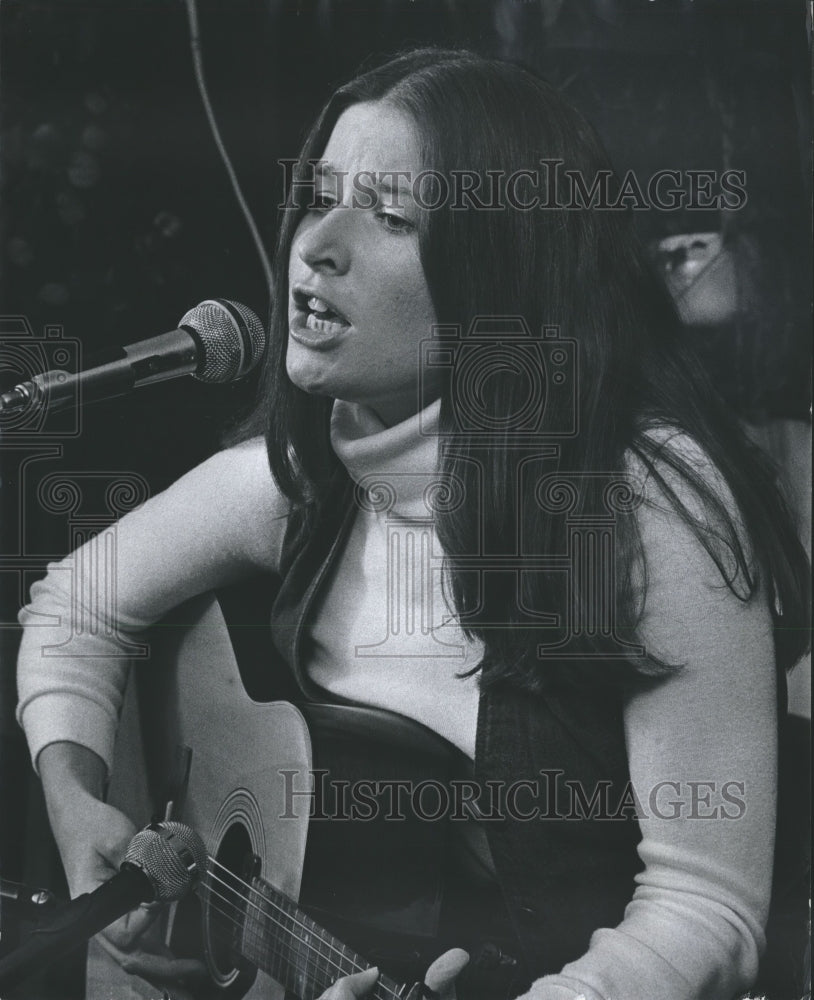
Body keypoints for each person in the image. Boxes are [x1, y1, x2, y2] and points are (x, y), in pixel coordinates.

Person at [15, 47, 810, 1000]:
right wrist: (75, 800)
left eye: (390, 216)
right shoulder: (304, 479)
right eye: (319, 198)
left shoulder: (648, 509)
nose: (317, 245)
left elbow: (706, 908)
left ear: (503, 269)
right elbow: (76, 603)